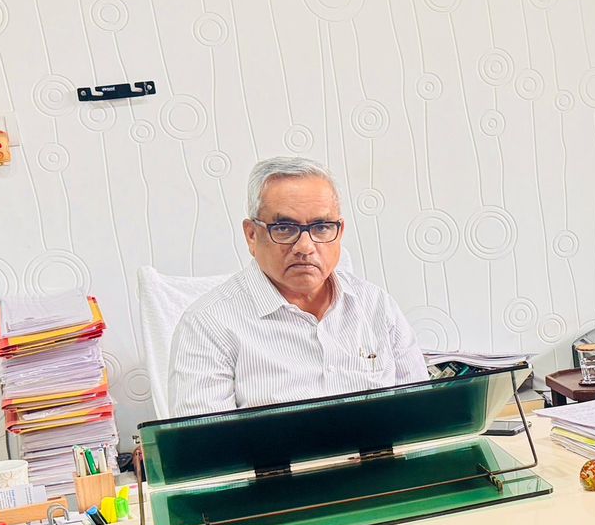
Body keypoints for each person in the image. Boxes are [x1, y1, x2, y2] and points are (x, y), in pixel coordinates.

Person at [168, 156, 426, 416]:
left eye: (322, 227)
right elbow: (203, 439)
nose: (305, 247)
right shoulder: (207, 324)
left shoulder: (375, 305)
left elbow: (421, 416)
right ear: (251, 235)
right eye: (284, 228)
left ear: (340, 231)